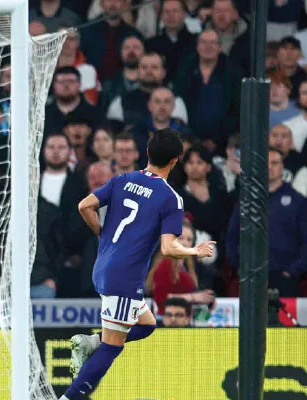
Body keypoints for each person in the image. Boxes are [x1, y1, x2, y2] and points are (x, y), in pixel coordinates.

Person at [60, 128, 215, 400]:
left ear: (147, 152)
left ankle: (90, 341)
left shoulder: (123, 179)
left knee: (147, 324)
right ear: (175, 161)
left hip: (102, 267)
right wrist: (195, 250)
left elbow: (85, 206)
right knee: (111, 348)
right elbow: (168, 248)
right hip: (124, 277)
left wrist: (102, 235)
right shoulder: (170, 198)